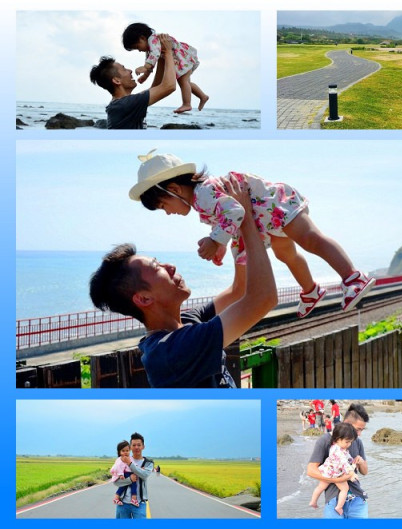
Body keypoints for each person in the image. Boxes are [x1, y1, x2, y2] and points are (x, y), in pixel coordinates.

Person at [131, 150, 376, 318]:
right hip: (265, 219)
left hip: (275, 205)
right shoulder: (201, 199)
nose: (168, 213)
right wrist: (221, 243)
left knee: (311, 239)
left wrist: (216, 239)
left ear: (174, 189)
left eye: (164, 206)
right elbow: (228, 215)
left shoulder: (203, 195)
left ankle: (353, 277)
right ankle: (311, 291)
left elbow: (235, 210)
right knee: (286, 254)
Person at [89, 174, 278, 388]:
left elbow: (239, 290)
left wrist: (230, 233)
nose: (170, 266)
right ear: (143, 298)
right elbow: (263, 298)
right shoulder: (171, 350)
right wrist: (246, 220)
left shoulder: (186, 321)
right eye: (157, 267)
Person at [89, 33, 177, 129]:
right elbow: (169, 86)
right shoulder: (125, 104)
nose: (130, 70)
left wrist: (160, 57)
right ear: (117, 81)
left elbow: (156, 88)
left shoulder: (121, 103)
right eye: (124, 69)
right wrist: (168, 52)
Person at [122, 22, 209, 114]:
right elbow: (150, 60)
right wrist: (145, 76)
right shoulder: (150, 46)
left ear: (142, 38)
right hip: (181, 59)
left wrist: (145, 67)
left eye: (137, 47)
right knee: (186, 82)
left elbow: (154, 56)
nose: (139, 50)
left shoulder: (153, 40)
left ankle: (187, 104)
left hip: (183, 59)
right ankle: (203, 96)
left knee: (183, 81)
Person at [307, 403, 370, 518]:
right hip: (334, 500)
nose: (359, 434)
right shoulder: (325, 440)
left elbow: (365, 472)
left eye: (362, 430)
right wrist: (338, 479)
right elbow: (311, 471)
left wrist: (361, 462)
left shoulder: (357, 442)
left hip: (357, 499)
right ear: (346, 423)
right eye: (358, 429)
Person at [308, 423, 359, 515]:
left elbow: (347, 457)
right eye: (347, 442)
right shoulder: (338, 451)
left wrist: (352, 460)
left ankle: (313, 501)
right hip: (335, 473)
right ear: (338, 439)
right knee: (345, 489)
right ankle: (339, 507)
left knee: (321, 487)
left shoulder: (336, 447)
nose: (349, 444)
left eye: (350, 442)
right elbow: (344, 462)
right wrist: (352, 473)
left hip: (327, 471)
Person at [113, 433, 155, 519]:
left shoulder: (148, 463)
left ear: (143, 447)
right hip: (123, 503)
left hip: (139, 504)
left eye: (139, 445)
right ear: (130, 447)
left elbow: (144, 475)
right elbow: (116, 482)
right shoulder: (121, 461)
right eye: (134, 445)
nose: (136, 447)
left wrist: (130, 463)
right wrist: (130, 479)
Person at [110, 441, 139, 507]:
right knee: (133, 485)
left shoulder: (130, 458)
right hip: (125, 474)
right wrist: (121, 475)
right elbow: (118, 467)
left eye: (127, 450)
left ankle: (116, 498)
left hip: (130, 473)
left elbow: (134, 464)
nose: (125, 452)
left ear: (129, 450)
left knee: (123, 486)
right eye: (123, 451)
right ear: (119, 452)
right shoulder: (120, 459)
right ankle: (134, 499)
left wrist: (138, 468)